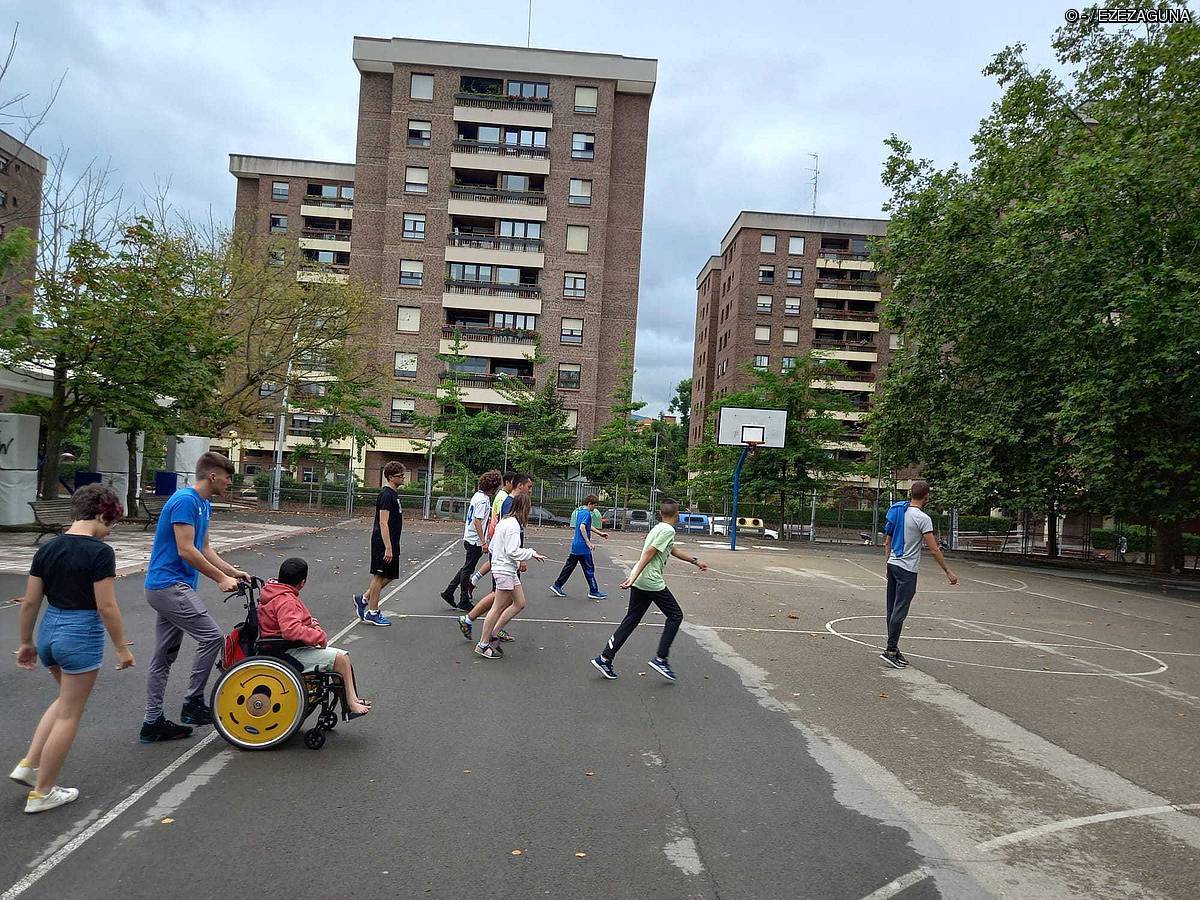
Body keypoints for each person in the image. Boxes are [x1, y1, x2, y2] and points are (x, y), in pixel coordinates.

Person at [12, 484, 135, 814]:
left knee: (64, 700)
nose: (109, 532)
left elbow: (30, 603)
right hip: (80, 633)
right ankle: (43, 792)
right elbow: (106, 606)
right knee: (70, 713)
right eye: (110, 523)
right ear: (100, 514)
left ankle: (29, 765)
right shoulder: (98, 553)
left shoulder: (48, 550)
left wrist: (27, 643)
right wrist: (122, 648)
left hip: (49, 630)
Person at [140, 451, 249, 743]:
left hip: (173, 586)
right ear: (212, 476)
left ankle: (152, 723)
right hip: (169, 586)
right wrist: (219, 579)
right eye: (227, 478)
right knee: (213, 638)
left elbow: (204, 547)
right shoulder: (185, 501)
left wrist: (232, 571)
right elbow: (185, 549)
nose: (229, 483)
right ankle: (192, 703)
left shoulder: (203, 503)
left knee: (164, 656)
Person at [591, 500, 707, 682]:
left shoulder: (659, 528)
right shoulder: (668, 530)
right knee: (675, 615)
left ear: (661, 514)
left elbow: (671, 549)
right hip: (650, 581)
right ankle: (661, 658)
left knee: (631, 619)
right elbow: (650, 552)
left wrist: (694, 560)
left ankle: (605, 658)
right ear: (677, 515)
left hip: (641, 579)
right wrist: (633, 577)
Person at [260, 558, 370, 716]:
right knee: (341, 658)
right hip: (286, 652)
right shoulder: (286, 600)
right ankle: (351, 704)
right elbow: (290, 630)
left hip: (281, 647)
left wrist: (312, 625)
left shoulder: (276, 591)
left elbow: (302, 619)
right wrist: (318, 636)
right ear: (302, 582)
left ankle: (352, 699)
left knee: (341, 658)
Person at [880, 480, 958, 669]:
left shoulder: (899, 511)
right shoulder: (922, 518)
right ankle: (890, 650)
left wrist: (888, 563)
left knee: (892, 608)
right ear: (926, 496)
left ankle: (894, 648)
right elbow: (933, 549)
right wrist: (947, 571)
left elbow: (887, 542)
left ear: (910, 494)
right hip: (907, 569)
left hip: (894, 563)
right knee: (900, 610)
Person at [457, 473, 533, 641]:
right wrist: (520, 557)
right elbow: (507, 534)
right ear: (519, 486)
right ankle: (475, 625)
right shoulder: (509, 503)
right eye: (529, 487)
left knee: (509, 599)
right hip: (505, 558)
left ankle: (493, 629)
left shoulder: (508, 500)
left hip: (504, 556)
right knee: (500, 597)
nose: (530, 491)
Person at [474, 493, 546, 659]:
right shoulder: (513, 526)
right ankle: (483, 644)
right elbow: (513, 551)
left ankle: (494, 633)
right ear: (524, 508)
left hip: (506, 569)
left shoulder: (504, 522)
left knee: (519, 603)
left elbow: (493, 547)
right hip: (504, 570)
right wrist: (532, 553)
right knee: (497, 607)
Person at [441, 470, 502, 611]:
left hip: (470, 538)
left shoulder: (478, 496)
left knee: (466, 567)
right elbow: (477, 521)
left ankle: (449, 592)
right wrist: (483, 541)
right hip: (474, 540)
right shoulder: (482, 500)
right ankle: (463, 599)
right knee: (468, 569)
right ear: (492, 487)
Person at [354, 461, 405, 626]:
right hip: (382, 542)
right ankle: (372, 612)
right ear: (391, 477)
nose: (403, 477)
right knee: (379, 575)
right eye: (400, 475)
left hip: (392, 541)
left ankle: (363, 599)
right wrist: (388, 546)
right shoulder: (386, 495)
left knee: (390, 575)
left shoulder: (394, 494)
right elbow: (383, 522)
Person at [549, 494, 608, 600]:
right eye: (594, 505)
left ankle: (557, 585)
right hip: (583, 547)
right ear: (589, 504)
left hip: (576, 546)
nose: (595, 508)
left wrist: (600, 533)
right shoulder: (587, 514)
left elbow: (587, 526)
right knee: (589, 569)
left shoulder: (580, 512)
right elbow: (582, 527)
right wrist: (588, 542)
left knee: (569, 567)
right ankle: (593, 591)